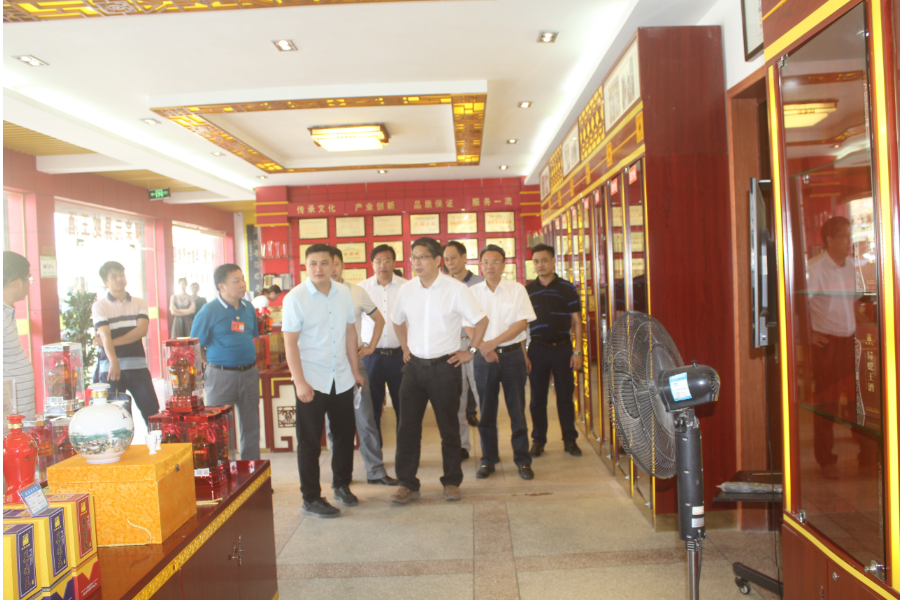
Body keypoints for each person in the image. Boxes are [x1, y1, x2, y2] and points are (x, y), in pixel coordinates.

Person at [389, 237, 488, 505]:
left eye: (423, 257)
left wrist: (471, 351)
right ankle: (407, 484)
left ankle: (452, 481)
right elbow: (397, 321)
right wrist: (405, 347)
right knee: (407, 428)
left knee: (449, 427)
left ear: (437, 260)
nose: (417, 262)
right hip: (414, 368)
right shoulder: (407, 290)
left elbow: (481, 321)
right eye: (414, 257)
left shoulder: (455, 289)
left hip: (445, 367)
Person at [282, 244, 365, 518]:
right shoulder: (295, 298)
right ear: (306, 266)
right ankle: (311, 498)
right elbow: (290, 343)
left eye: (325, 263)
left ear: (335, 265)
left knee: (344, 436)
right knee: (309, 442)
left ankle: (341, 484)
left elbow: (350, 333)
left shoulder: (344, 293)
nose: (319, 268)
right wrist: (299, 382)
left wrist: (355, 371)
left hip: (341, 377)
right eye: (313, 263)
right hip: (312, 381)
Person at [325, 248, 398, 486]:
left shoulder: (356, 292)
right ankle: (340, 476)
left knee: (366, 419)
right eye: (326, 264)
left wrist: (370, 346)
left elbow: (379, 319)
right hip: (326, 369)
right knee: (334, 424)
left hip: (355, 364)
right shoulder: (311, 295)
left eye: (336, 264)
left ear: (342, 266)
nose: (331, 269)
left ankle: (375, 471)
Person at [467, 245, 537, 480]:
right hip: (483, 358)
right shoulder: (472, 292)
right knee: (486, 411)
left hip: (512, 356)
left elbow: (521, 324)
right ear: (480, 265)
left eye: (495, 262)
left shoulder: (517, 290)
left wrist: (492, 343)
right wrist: (483, 348)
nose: (490, 266)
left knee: (517, 409)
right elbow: (467, 325)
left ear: (503, 264)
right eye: (485, 262)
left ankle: (522, 460)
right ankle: (488, 460)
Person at [806, 216, 864, 479]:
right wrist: (808, 334)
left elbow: (856, 302)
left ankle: (866, 453)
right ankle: (826, 460)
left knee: (857, 400)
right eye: (845, 236)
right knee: (826, 405)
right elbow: (796, 306)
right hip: (826, 344)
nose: (850, 241)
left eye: (850, 236)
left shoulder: (852, 265)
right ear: (829, 240)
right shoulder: (815, 268)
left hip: (851, 340)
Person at [190, 264, 261, 460]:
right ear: (221, 287)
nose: (242, 284)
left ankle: (251, 469)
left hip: (249, 373)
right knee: (219, 427)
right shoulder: (208, 311)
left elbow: (250, 337)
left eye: (242, 279)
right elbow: (195, 346)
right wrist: (213, 363)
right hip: (220, 376)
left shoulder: (248, 308)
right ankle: (224, 470)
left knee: (251, 424)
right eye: (236, 281)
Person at [525, 244, 583, 457]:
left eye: (544, 260)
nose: (540, 265)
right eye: (536, 261)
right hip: (537, 350)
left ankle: (570, 440)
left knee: (565, 397)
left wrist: (578, 352)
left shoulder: (567, 288)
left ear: (553, 261)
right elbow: (521, 324)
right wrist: (524, 354)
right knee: (537, 399)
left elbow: (577, 321)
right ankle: (538, 441)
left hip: (563, 349)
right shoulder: (527, 290)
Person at [93, 261, 158, 426]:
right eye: (113, 276)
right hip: (111, 370)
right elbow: (104, 335)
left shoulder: (139, 303)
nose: (119, 279)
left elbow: (141, 331)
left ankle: (157, 441)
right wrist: (114, 361)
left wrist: (109, 343)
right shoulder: (100, 306)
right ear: (105, 282)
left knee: (152, 413)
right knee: (115, 419)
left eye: (121, 275)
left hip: (138, 367)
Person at [359, 244, 407, 439]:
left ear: (394, 262)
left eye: (387, 260)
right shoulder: (361, 289)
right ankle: (375, 449)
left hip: (400, 356)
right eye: (378, 261)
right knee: (372, 407)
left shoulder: (407, 287)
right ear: (372, 264)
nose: (382, 265)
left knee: (404, 405)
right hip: (371, 356)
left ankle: (404, 449)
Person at [443, 241, 483, 461]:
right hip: (452, 347)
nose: (450, 262)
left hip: (477, 344)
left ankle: (488, 448)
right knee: (456, 400)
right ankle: (462, 447)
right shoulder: (442, 285)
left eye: (453, 257)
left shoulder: (480, 283)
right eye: (446, 259)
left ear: (464, 257)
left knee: (482, 397)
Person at [3, 251, 35, 420]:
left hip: (17, 417)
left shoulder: (6, 312)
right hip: (7, 420)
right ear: (17, 283)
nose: (29, 284)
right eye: (28, 279)